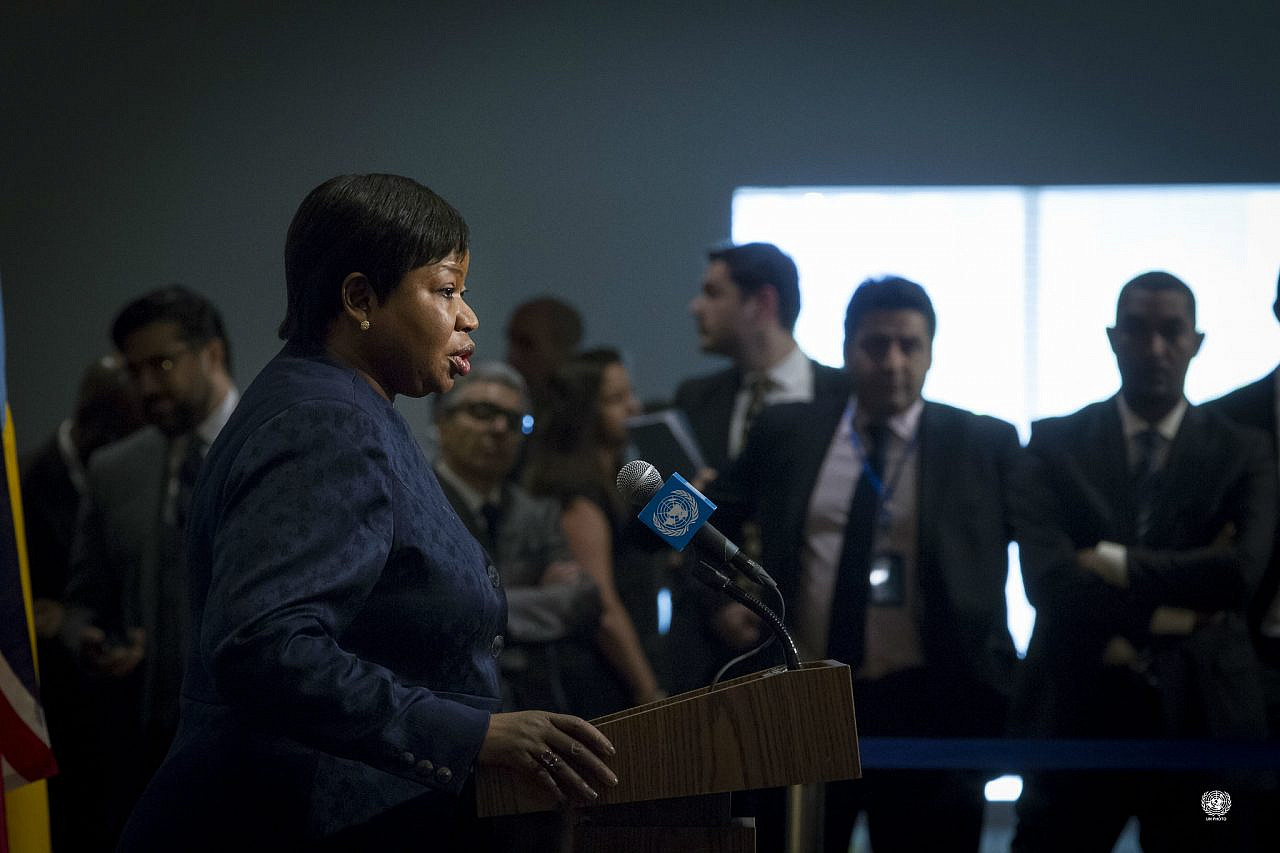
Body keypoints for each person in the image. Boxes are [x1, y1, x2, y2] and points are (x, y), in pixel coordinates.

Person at [119, 174, 617, 851]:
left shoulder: (342, 403)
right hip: (299, 818)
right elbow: (267, 645)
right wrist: (473, 733)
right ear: (359, 297)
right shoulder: (326, 421)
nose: (467, 316)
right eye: (446, 290)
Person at [709, 276, 1020, 852]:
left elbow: (1042, 540)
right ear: (848, 347)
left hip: (931, 700)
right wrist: (726, 601)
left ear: (931, 351)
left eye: (911, 346)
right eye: (876, 345)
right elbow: (715, 522)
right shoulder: (790, 429)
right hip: (803, 694)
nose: (893, 362)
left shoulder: (981, 442)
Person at [1010, 271, 1276, 852]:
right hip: (1077, 723)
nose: (1155, 348)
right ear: (1113, 337)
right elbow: (1050, 584)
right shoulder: (1054, 445)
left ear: (1196, 341)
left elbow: (1238, 576)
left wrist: (1113, 561)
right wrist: (1182, 610)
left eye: (1171, 331)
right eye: (1137, 330)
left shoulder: (1242, 451)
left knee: (1217, 842)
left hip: (1208, 734)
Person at [62, 285, 238, 841]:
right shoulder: (116, 470)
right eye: (133, 370)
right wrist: (90, 637)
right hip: (144, 753)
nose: (146, 387)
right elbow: (83, 597)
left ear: (211, 354)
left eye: (161, 364)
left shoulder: (277, 444)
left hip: (257, 749)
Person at [20, 354, 143, 852]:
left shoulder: (132, 477)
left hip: (127, 707)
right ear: (97, 426)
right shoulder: (20, 486)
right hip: (56, 715)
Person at [432, 360, 602, 712]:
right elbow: (433, 609)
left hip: (537, 702)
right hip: (449, 703)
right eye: (482, 412)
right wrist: (539, 595)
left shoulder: (537, 513)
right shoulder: (417, 502)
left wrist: (479, 607)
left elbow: (581, 601)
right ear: (442, 420)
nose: (499, 428)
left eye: (514, 420)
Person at [524, 348, 667, 716]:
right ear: (585, 411)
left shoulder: (623, 478)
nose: (633, 407)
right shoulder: (577, 495)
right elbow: (602, 606)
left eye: (629, 394)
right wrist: (647, 690)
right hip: (603, 679)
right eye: (615, 399)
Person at [674, 241, 847, 478]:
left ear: (762, 303)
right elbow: (668, 514)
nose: (695, 307)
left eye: (713, 293)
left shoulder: (846, 395)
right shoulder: (694, 399)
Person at [504, 296, 584, 414]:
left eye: (526, 344)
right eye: (512, 342)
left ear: (562, 347)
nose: (512, 356)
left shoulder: (579, 417)